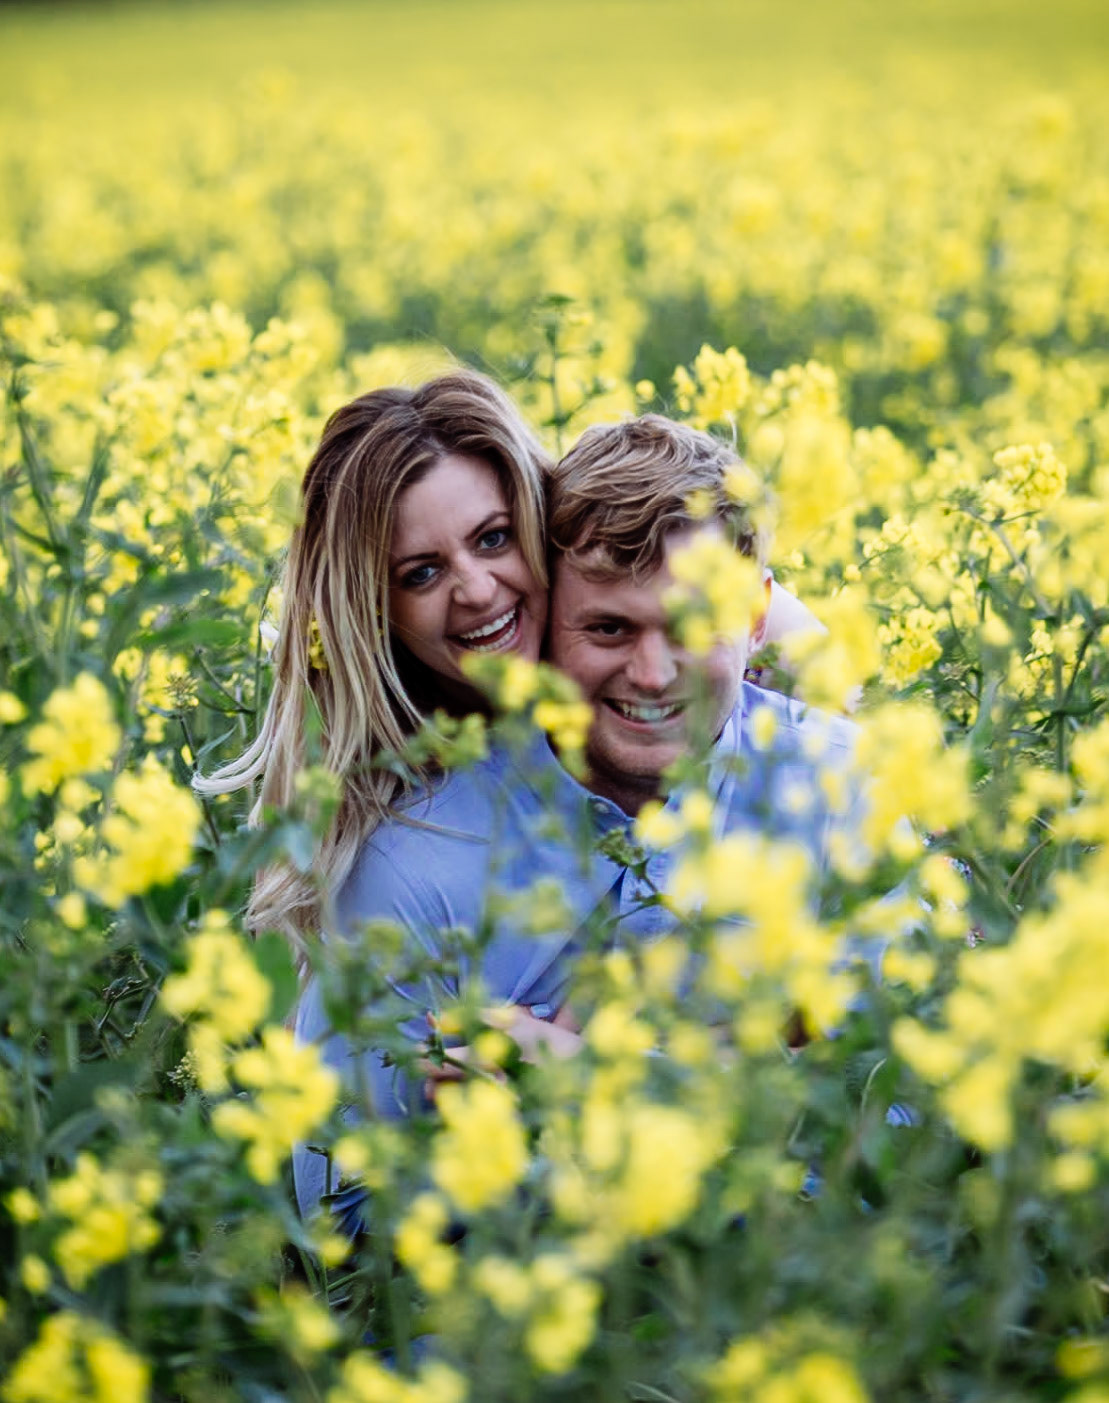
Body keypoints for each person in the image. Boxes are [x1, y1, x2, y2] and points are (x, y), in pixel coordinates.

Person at [291, 414, 863, 1220]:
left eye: (493, 540)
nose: (653, 671)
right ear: (553, 615)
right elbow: (337, 1212)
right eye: (606, 627)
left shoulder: (840, 783)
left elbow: (917, 1132)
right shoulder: (412, 855)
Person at [196, 371, 822, 951]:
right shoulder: (386, 801)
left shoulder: (613, 573)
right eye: (421, 573)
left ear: (541, 522)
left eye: (493, 538)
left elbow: (760, 618)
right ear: (374, 608)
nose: (476, 590)